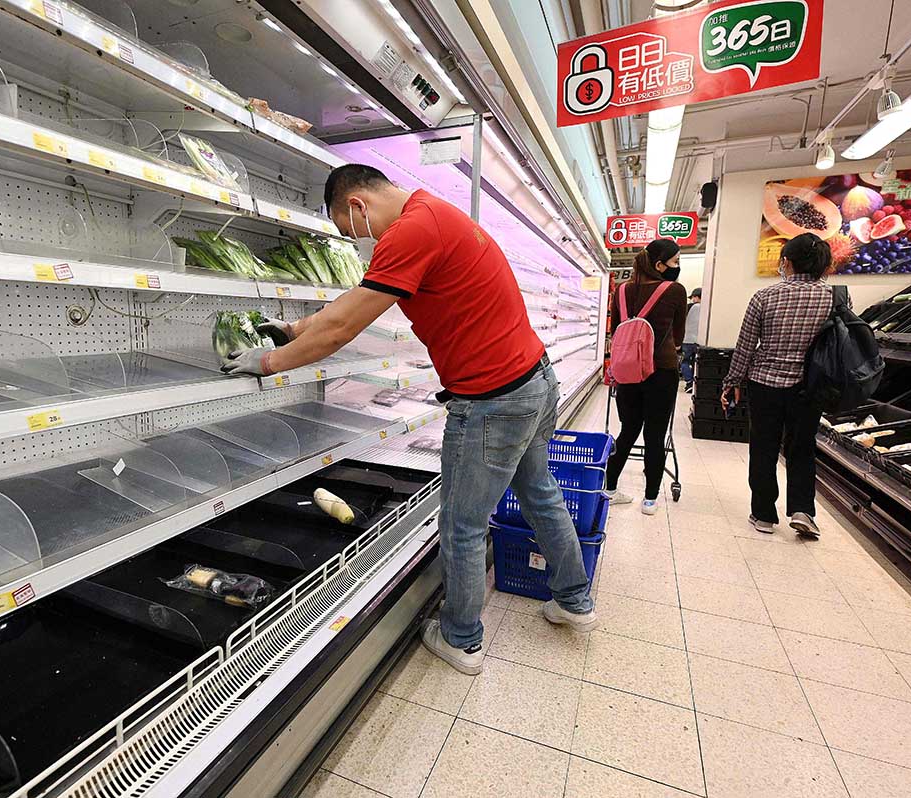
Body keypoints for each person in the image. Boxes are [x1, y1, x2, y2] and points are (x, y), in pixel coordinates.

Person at [220, 164, 596, 675]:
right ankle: (575, 601)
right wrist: (295, 327)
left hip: (491, 401)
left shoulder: (410, 230)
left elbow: (342, 329)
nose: (358, 241)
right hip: (533, 380)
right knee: (539, 492)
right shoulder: (432, 214)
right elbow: (353, 302)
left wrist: (267, 363)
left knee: (462, 524)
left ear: (356, 205)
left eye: (349, 230)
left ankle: (461, 639)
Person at [721, 232, 837, 539]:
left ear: (787, 261)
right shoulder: (835, 297)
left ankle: (763, 515)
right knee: (802, 449)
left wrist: (731, 382)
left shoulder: (765, 297)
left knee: (764, 448)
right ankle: (802, 511)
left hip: (765, 384)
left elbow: (745, 346)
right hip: (809, 387)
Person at [602, 239, 687, 515]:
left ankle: (609, 488)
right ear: (660, 265)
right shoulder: (675, 290)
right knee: (655, 433)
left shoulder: (623, 291)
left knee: (628, 430)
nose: (677, 267)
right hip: (661, 371)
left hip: (627, 372)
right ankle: (650, 500)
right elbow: (678, 336)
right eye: (674, 262)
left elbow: (616, 329)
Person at [681, 287, 701, 392]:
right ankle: (694, 383)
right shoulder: (707, 309)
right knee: (695, 362)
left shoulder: (688, 307)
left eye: (693, 297)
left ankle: (689, 382)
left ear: (697, 297)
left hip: (687, 340)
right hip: (699, 341)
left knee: (684, 362)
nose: (692, 299)